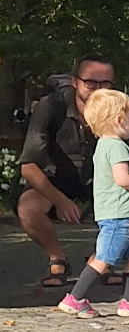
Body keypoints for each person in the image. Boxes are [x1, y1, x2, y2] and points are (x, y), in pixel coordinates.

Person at [55, 89, 129, 318]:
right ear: (118, 120)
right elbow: (123, 179)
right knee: (104, 258)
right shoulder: (116, 147)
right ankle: (75, 298)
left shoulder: (105, 145)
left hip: (128, 214)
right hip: (120, 215)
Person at [16, 55, 116, 291]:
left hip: (103, 178)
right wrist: (58, 200)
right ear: (75, 82)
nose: (97, 90)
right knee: (28, 208)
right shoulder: (50, 107)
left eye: (105, 84)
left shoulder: (120, 107)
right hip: (55, 178)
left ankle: (100, 260)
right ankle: (57, 258)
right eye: (90, 82)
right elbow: (28, 165)